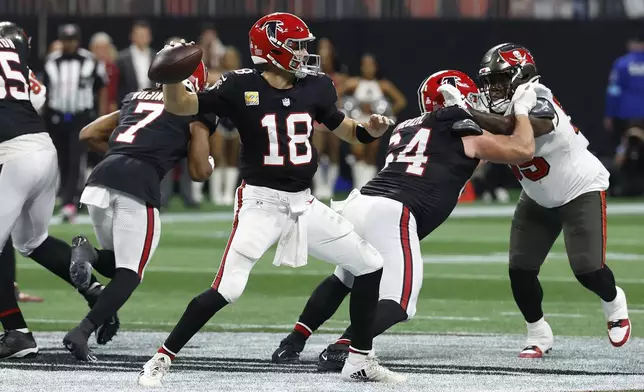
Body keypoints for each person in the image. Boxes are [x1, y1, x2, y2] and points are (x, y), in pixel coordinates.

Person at [138, 12, 402, 385]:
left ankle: (359, 359)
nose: (303, 53)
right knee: (227, 289)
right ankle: (160, 359)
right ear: (271, 51)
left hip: (303, 203)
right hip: (260, 202)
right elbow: (181, 106)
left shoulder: (316, 86)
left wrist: (369, 131)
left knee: (370, 264)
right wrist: (171, 79)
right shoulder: (237, 85)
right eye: (296, 46)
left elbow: (346, 130)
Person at [271, 70, 539, 370]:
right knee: (400, 303)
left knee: (344, 278)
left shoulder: (406, 127)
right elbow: (523, 149)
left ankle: (292, 342)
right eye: (470, 97)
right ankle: (344, 346)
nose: (476, 102)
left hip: (361, 203)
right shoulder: (462, 130)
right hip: (393, 212)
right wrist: (521, 109)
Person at [470, 43, 631, 358]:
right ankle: (538, 333)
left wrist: (466, 112)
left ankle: (614, 301)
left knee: (588, 269)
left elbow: (518, 127)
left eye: (502, 79)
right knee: (520, 270)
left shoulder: (537, 96)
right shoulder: (494, 109)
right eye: (490, 82)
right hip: (537, 196)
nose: (494, 88)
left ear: (522, 75)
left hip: (578, 189)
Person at [62, 63, 216, 361]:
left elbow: (87, 134)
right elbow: (198, 172)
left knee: (119, 262)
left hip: (100, 180)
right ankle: (81, 332)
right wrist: (208, 158)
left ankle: (89, 254)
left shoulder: (138, 97)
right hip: (137, 183)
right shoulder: (195, 109)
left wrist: (121, 156)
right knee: (130, 274)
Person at [0, 22, 118, 360]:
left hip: (13, 155)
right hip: (42, 149)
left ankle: (17, 334)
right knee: (31, 241)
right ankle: (96, 293)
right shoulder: (15, 58)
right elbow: (37, 96)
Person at [43, 23, 108, 223]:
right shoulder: (50, 62)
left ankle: (70, 203)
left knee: (75, 159)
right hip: (57, 116)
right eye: (65, 40)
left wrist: (102, 115)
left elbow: (101, 87)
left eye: (72, 40)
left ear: (77, 41)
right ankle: (66, 198)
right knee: (61, 159)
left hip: (81, 117)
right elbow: (44, 89)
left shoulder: (90, 61)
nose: (69, 44)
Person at [339, 53, 406, 189]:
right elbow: (335, 94)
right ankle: (358, 184)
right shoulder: (354, 83)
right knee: (358, 151)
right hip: (357, 122)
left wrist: (386, 113)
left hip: (374, 124)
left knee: (371, 152)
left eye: (371, 65)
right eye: (365, 65)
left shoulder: (383, 85)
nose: (368, 68)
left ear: (376, 67)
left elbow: (401, 101)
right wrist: (348, 108)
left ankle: (367, 183)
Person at [192, 47, 242, 205]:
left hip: (236, 121)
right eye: (227, 57)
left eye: (232, 57)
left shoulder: (243, 76)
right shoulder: (216, 75)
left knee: (233, 158)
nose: (229, 60)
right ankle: (216, 194)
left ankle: (228, 193)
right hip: (219, 120)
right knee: (218, 156)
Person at [311, 38, 346, 200]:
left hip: (334, 117)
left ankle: (330, 186)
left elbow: (338, 96)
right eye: (321, 53)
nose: (325, 57)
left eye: (327, 54)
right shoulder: (311, 76)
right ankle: (320, 186)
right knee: (316, 151)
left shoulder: (341, 77)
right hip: (317, 119)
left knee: (334, 152)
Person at [115, 20, 155, 106]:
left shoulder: (157, 57)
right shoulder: (121, 59)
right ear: (132, 36)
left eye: (145, 35)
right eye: (139, 35)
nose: (142, 38)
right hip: (129, 104)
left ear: (150, 37)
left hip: (153, 103)